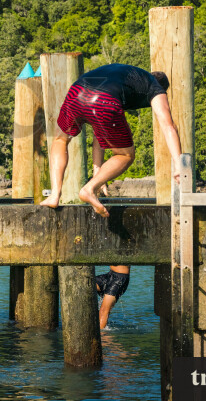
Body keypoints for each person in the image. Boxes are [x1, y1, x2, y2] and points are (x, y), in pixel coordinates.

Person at [40, 63, 182, 328]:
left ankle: (55, 194)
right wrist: (178, 163)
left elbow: (99, 136)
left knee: (60, 140)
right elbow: (168, 125)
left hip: (77, 91)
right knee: (126, 155)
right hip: (102, 102)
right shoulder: (153, 86)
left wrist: (97, 173)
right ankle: (87, 190)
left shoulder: (124, 79)